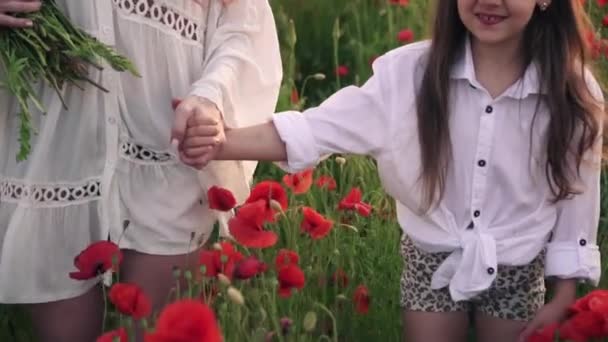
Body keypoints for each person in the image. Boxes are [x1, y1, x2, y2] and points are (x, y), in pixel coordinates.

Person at [179, 1, 605, 341]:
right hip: (430, 253)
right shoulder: (410, 75)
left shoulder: (573, 92)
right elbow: (318, 128)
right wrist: (219, 142)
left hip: (518, 261)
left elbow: (576, 197)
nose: (488, 2)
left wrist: (564, 292)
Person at [0, 0, 282, 341]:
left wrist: (212, 96)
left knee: (157, 332)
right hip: (57, 147)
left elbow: (244, 21)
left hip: (166, 142)